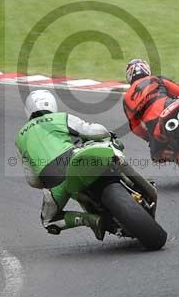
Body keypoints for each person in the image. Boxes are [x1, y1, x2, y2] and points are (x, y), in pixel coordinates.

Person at [15, 90, 110, 239]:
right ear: (52, 104)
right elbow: (92, 131)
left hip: (55, 183)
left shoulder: (20, 136)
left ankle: (89, 219)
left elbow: (33, 180)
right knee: (108, 149)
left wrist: (48, 182)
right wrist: (107, 134)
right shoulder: (60, 117)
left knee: (48, 221)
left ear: (27, 110)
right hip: (76, 161)